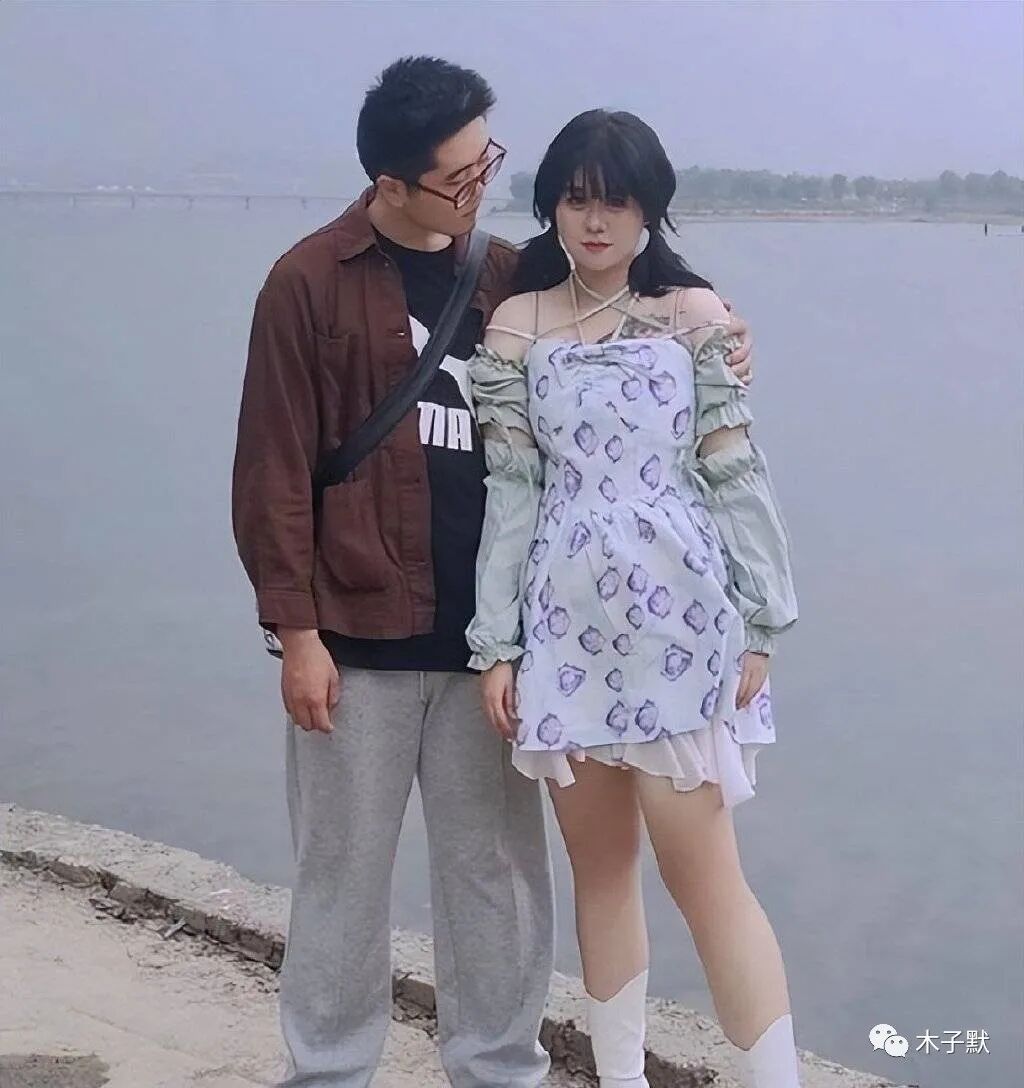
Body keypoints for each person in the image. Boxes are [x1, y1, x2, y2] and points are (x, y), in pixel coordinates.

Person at [232, 57, 755, 1088]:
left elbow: (635, 305)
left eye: (488, 161)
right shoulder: (308, 282)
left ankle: (498, 1069)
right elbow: (272, 469)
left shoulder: (510, 278)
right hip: (356, 637)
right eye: (459, 175)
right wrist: (295, 634)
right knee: (342, 876)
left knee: (499, 879)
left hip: (496, 646)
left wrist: (724, 334)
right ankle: (328, 1070)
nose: (483, 185)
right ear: (391, 182)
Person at [466, 109, 799, 1088]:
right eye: (577, 200)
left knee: (709, 884)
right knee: (601, 874)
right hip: (563, 627)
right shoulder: (517, 325)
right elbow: (512, 493)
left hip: (679, 621)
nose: (596, 220)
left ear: (650, 208)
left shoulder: (693, 314)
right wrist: (497, 643)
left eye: (616, 200)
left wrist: (763, 618)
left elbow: (732, 467)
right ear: (551, 207)